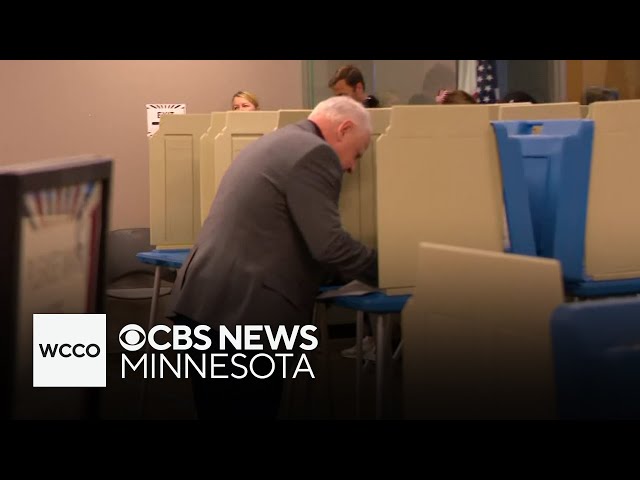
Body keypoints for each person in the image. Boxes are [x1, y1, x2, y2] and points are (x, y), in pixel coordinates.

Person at [167, 96, 378, 419]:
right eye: (357, 153)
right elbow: (329, 244)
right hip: (246, 313)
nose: (351, 166)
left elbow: (279, 232)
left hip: (205, 301)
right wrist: (392, 270)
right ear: (344, 128)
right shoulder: (316, 153)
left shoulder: (275, 141)